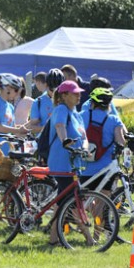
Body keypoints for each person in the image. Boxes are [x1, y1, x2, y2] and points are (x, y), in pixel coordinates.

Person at [47, 80, 88, 245]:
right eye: (75, 93)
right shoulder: (61, 109)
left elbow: (84, 137)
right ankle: (89, 238)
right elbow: (60, 126)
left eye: (79, 93)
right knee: (72, 201)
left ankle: (53, 238)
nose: (79, 96)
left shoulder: (77, 114)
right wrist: (65, 140)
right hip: (61, 162)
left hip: (74, 163)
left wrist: (85, 148)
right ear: (64, 96)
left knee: (63, 201)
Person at [80, 88, 125, 190]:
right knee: (104, 195)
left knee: (84, 196)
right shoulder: (114, 120)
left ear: (92, 103)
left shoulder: (81, 116)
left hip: (84, 168)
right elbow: (121, 142)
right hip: (106, 169)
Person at [27, 68, 64, 136]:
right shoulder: (38, 102)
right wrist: (49, 129)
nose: (55, 94)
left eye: (58, 91)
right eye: (52, 90)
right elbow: (31, 127)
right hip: (44, 140)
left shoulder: (67, 101)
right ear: (46, 85)